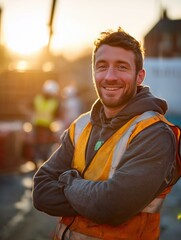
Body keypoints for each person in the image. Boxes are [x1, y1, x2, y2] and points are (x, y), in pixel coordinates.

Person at [32, 27, 181, 240]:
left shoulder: (154, 133)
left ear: (139, 76)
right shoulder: (81, 125)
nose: (110, 76)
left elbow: (111, 207)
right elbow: (41, 193)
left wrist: (67, 181)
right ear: (94, 72)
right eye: (102, 66)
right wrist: (92, 196)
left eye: (121, 67)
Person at [32, 79, 61, 167]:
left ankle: (41, 160)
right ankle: (39, 160)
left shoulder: (39, 98)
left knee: (42, 144)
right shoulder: (53, 101)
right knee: (41, 144)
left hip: (44, 125)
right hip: (41, 125)